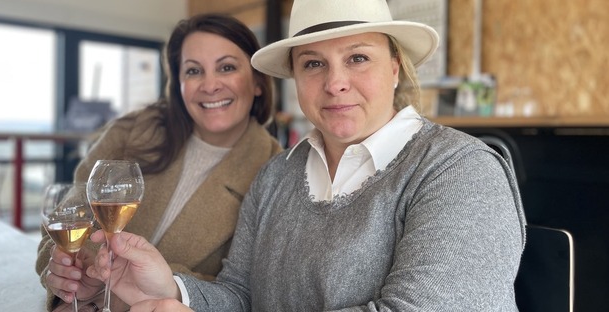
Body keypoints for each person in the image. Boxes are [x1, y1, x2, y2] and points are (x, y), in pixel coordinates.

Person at [87, 0, 527, 310]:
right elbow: (240, 296)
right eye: (313, 63)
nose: (335, 82)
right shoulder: (278, 173)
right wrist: (172, 288)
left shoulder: (459, 171)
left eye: (357, 57)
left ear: (394, 68)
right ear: (295, 77)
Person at [35, 13, 282, 311]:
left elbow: (245, 290)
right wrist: (69, 277)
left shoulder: (275, 171)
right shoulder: (131, 131)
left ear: (257, 82)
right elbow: (64, 221)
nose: (210, 84)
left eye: (226, 67)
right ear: (178, 83)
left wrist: (147, 287)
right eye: (193, 71)